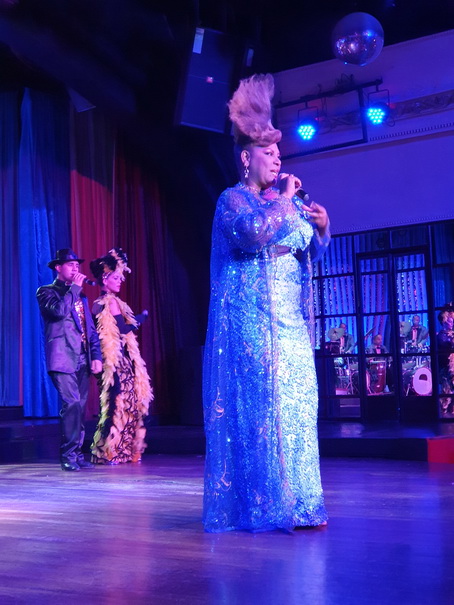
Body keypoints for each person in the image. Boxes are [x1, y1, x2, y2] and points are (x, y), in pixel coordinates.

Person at [203, 74, 330, 533]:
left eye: (279, 153)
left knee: (298, 408)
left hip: (290, 324)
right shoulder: (233, 200)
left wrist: (322, 229)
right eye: (268, 152)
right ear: (246, 157)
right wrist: (285, 200)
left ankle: (303, 503)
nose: (277, 158)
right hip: (253, 323)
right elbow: (253, 234)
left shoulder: (287, 203)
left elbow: (305, 250)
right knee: (264, 411)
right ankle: (265, 503)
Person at [36, 248, 103, 471]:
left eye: (77, 265)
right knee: (71, 403)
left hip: (83, 357)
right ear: (58, 267)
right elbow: (58, 312)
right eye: (70, 265)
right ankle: (67, 455)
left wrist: (96, 356)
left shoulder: (81, 296)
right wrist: (74, 288)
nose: (75, 268)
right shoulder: (46, 292)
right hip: (62, 357)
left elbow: (89, 328)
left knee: (80, 407)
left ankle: (76, 454)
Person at [89, 248, 153, 465]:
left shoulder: (100, 301)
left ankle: (114, 451)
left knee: (117, 404)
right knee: (120, 403)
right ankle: (112, 451)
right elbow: (122, 329)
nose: (120, 282)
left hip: (114, 359)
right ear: (105, 279)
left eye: (120, 278)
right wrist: (141, 318)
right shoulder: (110, 301)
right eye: (116, 278)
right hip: (116, 361)